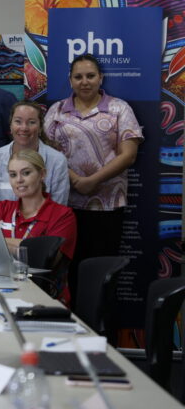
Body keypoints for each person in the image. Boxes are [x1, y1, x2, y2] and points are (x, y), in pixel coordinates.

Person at [44, 53, 142, 304]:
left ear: (101, 77)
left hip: (108, 207)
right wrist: (75, 179)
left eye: (90, 76)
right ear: (70, 80)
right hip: (66, 206)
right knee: (71, 271)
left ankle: (101, 335)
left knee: (103, 273)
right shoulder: (56, 111)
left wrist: (93, 180)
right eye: (78, 77)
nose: (84, 81)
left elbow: (129, 155)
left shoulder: (119, 108)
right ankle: (75, 329)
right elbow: (45, 152)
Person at [0, 149, 77, 305]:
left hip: (44, 298)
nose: (19, 180)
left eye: (26, 173)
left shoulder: (63, 215)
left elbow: (47, 258)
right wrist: (27, 246)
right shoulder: (2, 208)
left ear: (42, 174)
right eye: (13, 175)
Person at [0, 100, 69, 212]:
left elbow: (59, 210)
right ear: (10, 125)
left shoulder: (57, 161)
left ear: (40, 127)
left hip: (45, 228)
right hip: (3, 227)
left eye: (31, 122)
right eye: (18, 122)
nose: (24, 128)